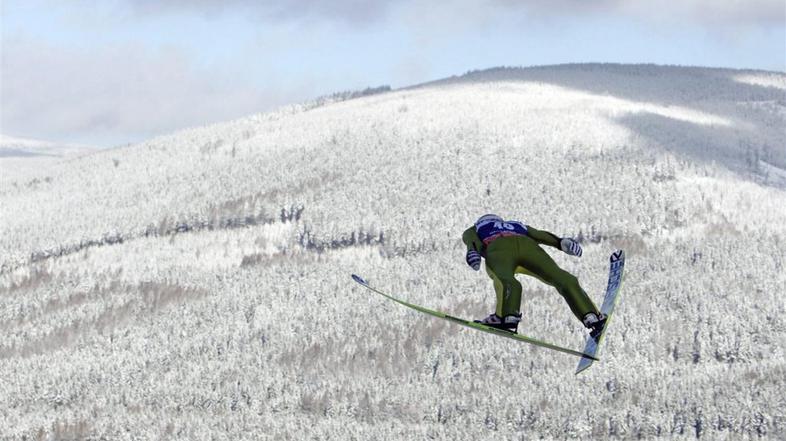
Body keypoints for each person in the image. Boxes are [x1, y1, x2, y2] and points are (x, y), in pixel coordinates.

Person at [462, 214, 605, 336]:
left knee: (506, 280)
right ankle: (590, 315)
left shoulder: (475, 228)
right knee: (561, 277)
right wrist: (560, 242)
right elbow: (538, 234)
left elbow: (472, 241)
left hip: (498, 248)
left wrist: (473, 252)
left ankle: (507, 316)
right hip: (528, 246)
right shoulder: (515, 224)